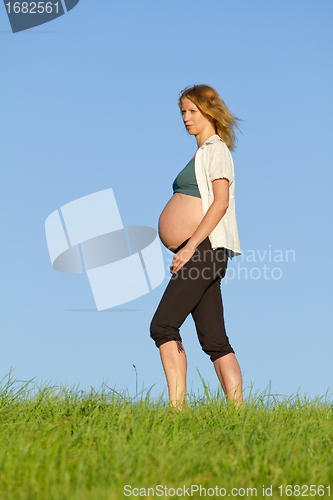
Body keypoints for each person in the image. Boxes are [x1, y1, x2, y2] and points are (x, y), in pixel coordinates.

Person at [150, 84, 243, 409]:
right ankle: (239, 414)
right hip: (202, 251)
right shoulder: (203, 152)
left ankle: (177, 410)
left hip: (204, 250)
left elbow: (219, 203)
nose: (186, 118)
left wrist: (189, 248)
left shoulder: (216, 149)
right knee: (215, 340)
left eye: (192, 111)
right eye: (183, 113)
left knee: (163, 325)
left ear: (209, 111)